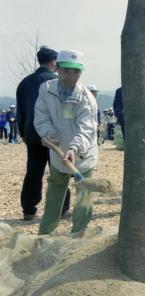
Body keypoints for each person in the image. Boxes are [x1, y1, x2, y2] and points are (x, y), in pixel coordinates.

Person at [34, 49, 98, 235]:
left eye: (76, 71)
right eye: (67, 70)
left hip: (82, 154)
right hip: (57, 152)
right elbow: (42, 117)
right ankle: (45, 234)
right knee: (55, 193)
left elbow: (86, 128)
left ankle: (79, 234)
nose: (71, 76)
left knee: (84, 197)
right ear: (57, 68)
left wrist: (73, 148)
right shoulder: (46, 90)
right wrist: (49, 134)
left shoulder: (86, 98)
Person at [16, 46, 71, 221]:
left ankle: (29, 209)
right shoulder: (57, 81)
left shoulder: (24, 82)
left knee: (33, 170)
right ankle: (61, 208)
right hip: (54, 134)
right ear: (54, 62)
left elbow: (21, 111)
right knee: (59, 170)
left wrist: (23, 132)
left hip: (32, 134)